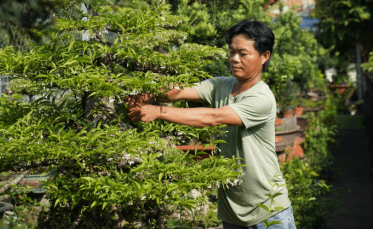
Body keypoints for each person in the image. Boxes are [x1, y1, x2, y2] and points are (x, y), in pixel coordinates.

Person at [126, 20, 296, 229]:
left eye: (243, 54)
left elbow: (214, 117)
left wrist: (159, 111)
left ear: (264, 56)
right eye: (231, 52)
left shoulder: (262, 97)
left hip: (269, 212)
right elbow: (179, 90)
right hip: (232, 213)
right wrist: (146, 93)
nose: (234, 59)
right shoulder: (220, 85)